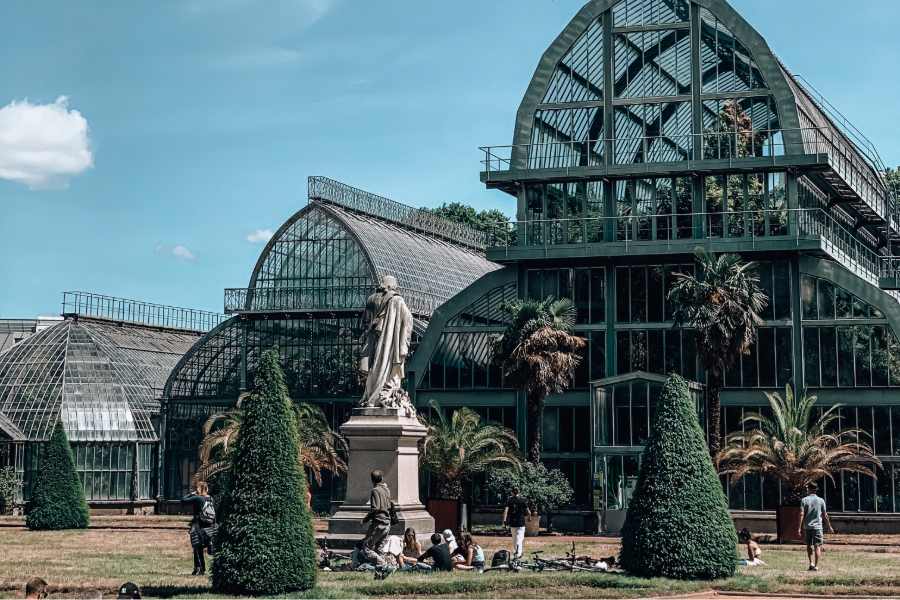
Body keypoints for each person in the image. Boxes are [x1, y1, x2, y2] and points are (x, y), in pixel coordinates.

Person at [360, 469, 393, 580]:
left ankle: (385, 566)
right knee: (379, 550)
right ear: (382, 478)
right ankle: (379, 576)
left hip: (378, 523)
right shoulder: (387, 490)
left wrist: (364, 521)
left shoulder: (375, 491)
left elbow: (375, 508)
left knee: (367, 548)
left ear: (372, 480)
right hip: (387, 523)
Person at [181, 481, 215, 575]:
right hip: (208, 525)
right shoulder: (210, 498)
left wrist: (192, 494)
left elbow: (183, 500)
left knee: (197, 546)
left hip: (198, 524)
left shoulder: (198, 498)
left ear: (198, 489)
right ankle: (200, 568)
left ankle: (199, 568)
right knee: (202, 545)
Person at [798, 482, 833, 571]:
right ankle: (816, 566)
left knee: (809, 545)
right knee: (817, 546)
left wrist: (799, 527)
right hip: (817, 527)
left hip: (807, 526)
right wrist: (829, 526)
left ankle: (811, 563)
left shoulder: (804, 500)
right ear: (816, 490)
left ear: (809, 489)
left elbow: (801, 514)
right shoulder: (821, 500)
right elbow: (825, 515)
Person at [502, 486, 531, 558]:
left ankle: (516, 552)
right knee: (519, 539)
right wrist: (529, 517)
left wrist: (504, 520)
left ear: (512, 492)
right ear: (519, 491)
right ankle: (518, 553)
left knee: (514, 539)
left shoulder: (509, 500)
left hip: (513, 522)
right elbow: (528, 511)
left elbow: (506, 511)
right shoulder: (522, 500)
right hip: (521, 522)